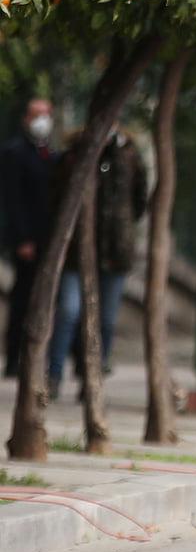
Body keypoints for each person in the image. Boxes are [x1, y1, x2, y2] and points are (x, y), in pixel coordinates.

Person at [47, 122, 147, 386]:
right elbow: (56, 197)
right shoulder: (75, 153)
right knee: (69, 312)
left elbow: (139, 201)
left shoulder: (129, 154)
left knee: (106, 319)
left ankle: (93, 377)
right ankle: (54, 375)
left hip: (115, 252)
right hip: (75, 252)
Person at [1, 97, 57, 378]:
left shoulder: (50, 153)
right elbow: (13, 201)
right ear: (25, 118)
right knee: (22, 300)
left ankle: (39, 360)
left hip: (50, 240)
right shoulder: (15, 152)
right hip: (27, 242)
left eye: (46, 114)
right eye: (36, 115)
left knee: (46, 301)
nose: (41, 120)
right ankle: (13, 359)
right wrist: (23, 239)